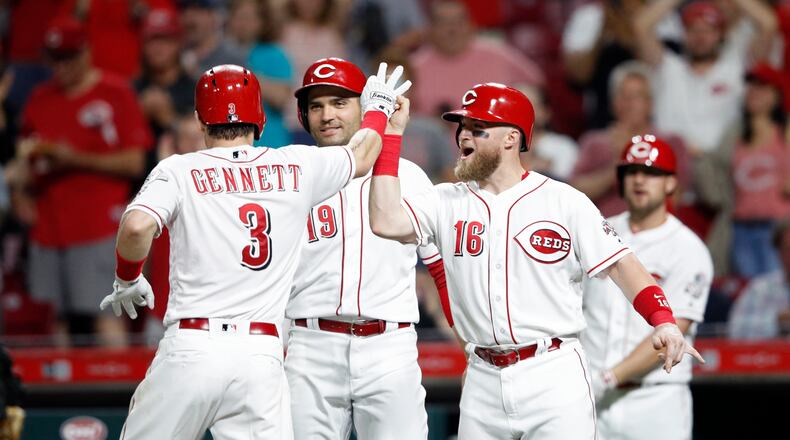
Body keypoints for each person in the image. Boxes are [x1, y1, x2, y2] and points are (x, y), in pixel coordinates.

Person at [367, 82, 704, 439]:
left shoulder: (563, 201)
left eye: (478, 129)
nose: (464, 135)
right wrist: (390, 135)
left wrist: (663, 321)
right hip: (483, 376)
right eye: (462, 127)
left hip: (552, 373)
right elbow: (385, 220)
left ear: (511, 139)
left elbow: (622, 264)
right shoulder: (444, 200)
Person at [97, 63, 411, 439]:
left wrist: (127, 278)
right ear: (259, 118)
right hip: (260, 357)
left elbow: (136, 226)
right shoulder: (295, 164)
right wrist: (377, 109)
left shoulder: (179, 169)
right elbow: (362, 154)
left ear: (200, 120)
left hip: (193, 346)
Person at [285, 57, 446, 440]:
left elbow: (441, 268)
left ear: (364, 107)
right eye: (316, 106)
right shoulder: (292, 172)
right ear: (304, 115)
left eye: (340, 103)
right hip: (310, 345)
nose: (327, 115)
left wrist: (464, 340)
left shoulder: (408, 176)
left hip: (389, 346)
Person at [16, 17, 152, 346]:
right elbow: (25, 156)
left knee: (106, 315)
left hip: (98, 225)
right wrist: (20, 192)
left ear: (86, 53)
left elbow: (136, 161)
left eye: (68, 58)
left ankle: (122, 382)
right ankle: (59, 384)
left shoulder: (115, 92)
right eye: (54, 59)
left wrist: (74, 158)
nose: (60, 67)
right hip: (48, 227)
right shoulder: (40, 97)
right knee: (56, 320)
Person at [580, 135, 713, 440]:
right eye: (631, 171)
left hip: (655, 401)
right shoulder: (598, 230)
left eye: (651, 172)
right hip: (591, 399)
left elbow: (673, 333)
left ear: (670, 183)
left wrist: (608, 378)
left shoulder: (688, 248)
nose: (639, 180)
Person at [634, 0, 777, 155]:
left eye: (708, 31)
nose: (700, 37)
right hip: (669, 159)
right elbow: (641, 26)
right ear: (683, 34)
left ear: (721, 35)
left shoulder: (737, 67)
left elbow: (768, 24)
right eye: (693, 30)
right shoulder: (667, 67)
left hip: (719, 163)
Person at [728, 218, 790, 339]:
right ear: (779, 251)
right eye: (789, 249)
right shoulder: (760, 288)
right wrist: (778, 320)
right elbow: (734, 330)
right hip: (770, 351)